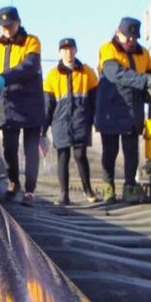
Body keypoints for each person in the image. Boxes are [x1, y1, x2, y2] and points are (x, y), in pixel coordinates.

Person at [0, 6, 44, 206]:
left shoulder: (31, 41)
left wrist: (3, 78)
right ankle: (13, 182)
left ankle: (30, 190)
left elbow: (29, 66)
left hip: (31, 101)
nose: (7, 30)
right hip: (7, 103)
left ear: (18, 23)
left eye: (11, 25)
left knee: (30, 148)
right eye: (3, 26)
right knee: (9, 147)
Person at [96, 17, 151, 204]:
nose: (131, 41)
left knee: (131, 151)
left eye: (134, 38)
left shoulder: (143, 54)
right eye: (127, 37)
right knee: (110, 150)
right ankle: (108, 187)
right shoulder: (108, 49)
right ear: (118, 33)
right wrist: (146, 80)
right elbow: (115, 74)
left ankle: (130, 186)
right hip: (111, 108)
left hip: (133, 109)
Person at [44, 38, 99, 205]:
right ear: (60, 52)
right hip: (60, 122)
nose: (68, 52)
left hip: (81, 119)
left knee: (80, 155)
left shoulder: (87, 72)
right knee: (63, 155)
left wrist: (96, 120)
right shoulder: (52, 76)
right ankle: (64, 194)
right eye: (65, 49)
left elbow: (95, 99)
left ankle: (88, 189)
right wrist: (43, 128)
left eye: (71, 49)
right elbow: (48, 105)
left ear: (76, 51)